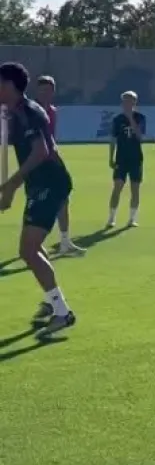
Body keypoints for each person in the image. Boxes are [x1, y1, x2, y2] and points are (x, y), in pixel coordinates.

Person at [0, 62, 76, 335]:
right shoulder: (14, 111)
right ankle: (51, 300)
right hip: (39, 184)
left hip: (50, 183)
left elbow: (40, 152)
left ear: (9, 85)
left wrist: (10, 185)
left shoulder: (28, 112)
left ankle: (62, 312)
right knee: (32, 248)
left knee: (28, 250)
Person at [35, 75, 85, 257]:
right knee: (38, 202)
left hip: (51, 161)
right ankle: (33, 245)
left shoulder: (53, 111)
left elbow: (52, 140)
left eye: (49, 90)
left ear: (53, 91)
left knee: (63, 198)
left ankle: (64, 241)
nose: (45, 93)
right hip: (37, 163)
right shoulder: (33, 111)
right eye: (42, 90)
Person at [107, 91, 146, 228]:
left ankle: (132, 218)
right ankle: (111, 218)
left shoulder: (140, 118)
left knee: (135, 189)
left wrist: (130, 118)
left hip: (136, 158)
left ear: (134, 103)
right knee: (117, 187)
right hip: (121, 159)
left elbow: (140, 136)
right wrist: (111, 157)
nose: (126, 104)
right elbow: (113, 140)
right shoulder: (117, 120)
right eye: (124, 101)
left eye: (129, 101)